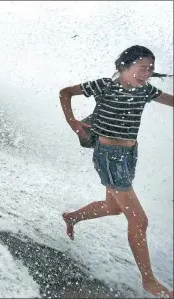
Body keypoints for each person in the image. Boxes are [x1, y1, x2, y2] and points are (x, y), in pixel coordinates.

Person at [59, 45, 173, 298]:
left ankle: (72, 217)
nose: (147, 73)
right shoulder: (104, 85)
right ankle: (149, 281)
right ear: (125, 66)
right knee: (139, 220)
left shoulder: (146, 90)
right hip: (109, 157)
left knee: (113, 208)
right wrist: (73, 122)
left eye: (151, 69)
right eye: (142, 68)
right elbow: (65, 92)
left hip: (130, 154)